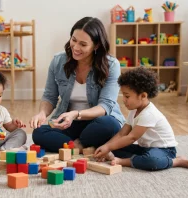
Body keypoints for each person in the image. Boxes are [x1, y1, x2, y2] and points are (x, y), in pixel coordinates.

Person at [30, 17, 125, 152]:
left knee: (110, 125)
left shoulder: (111, 65)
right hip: (69, 123)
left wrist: (76, 113)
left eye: (83, 44)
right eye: (73, 40)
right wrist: (42, 113)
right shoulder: (58, 61)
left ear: (96, 45)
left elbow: (106, 106)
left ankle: (76, 145)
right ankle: (84, 146)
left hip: (97, 121)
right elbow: (50, 96)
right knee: (39, 133)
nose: (76, 47)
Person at [94, 67, 188, 170]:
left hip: (165, 150)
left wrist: (108, 148)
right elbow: (121, 134)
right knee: (114, 146)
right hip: (145, 148)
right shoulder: (134, 110)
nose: (123, 100)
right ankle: (134, 159)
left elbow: (131, 138)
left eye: (127, 96)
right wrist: (106, 147)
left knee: (151, 161)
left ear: (143, 96)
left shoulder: (149, 114)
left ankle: (175, 161)